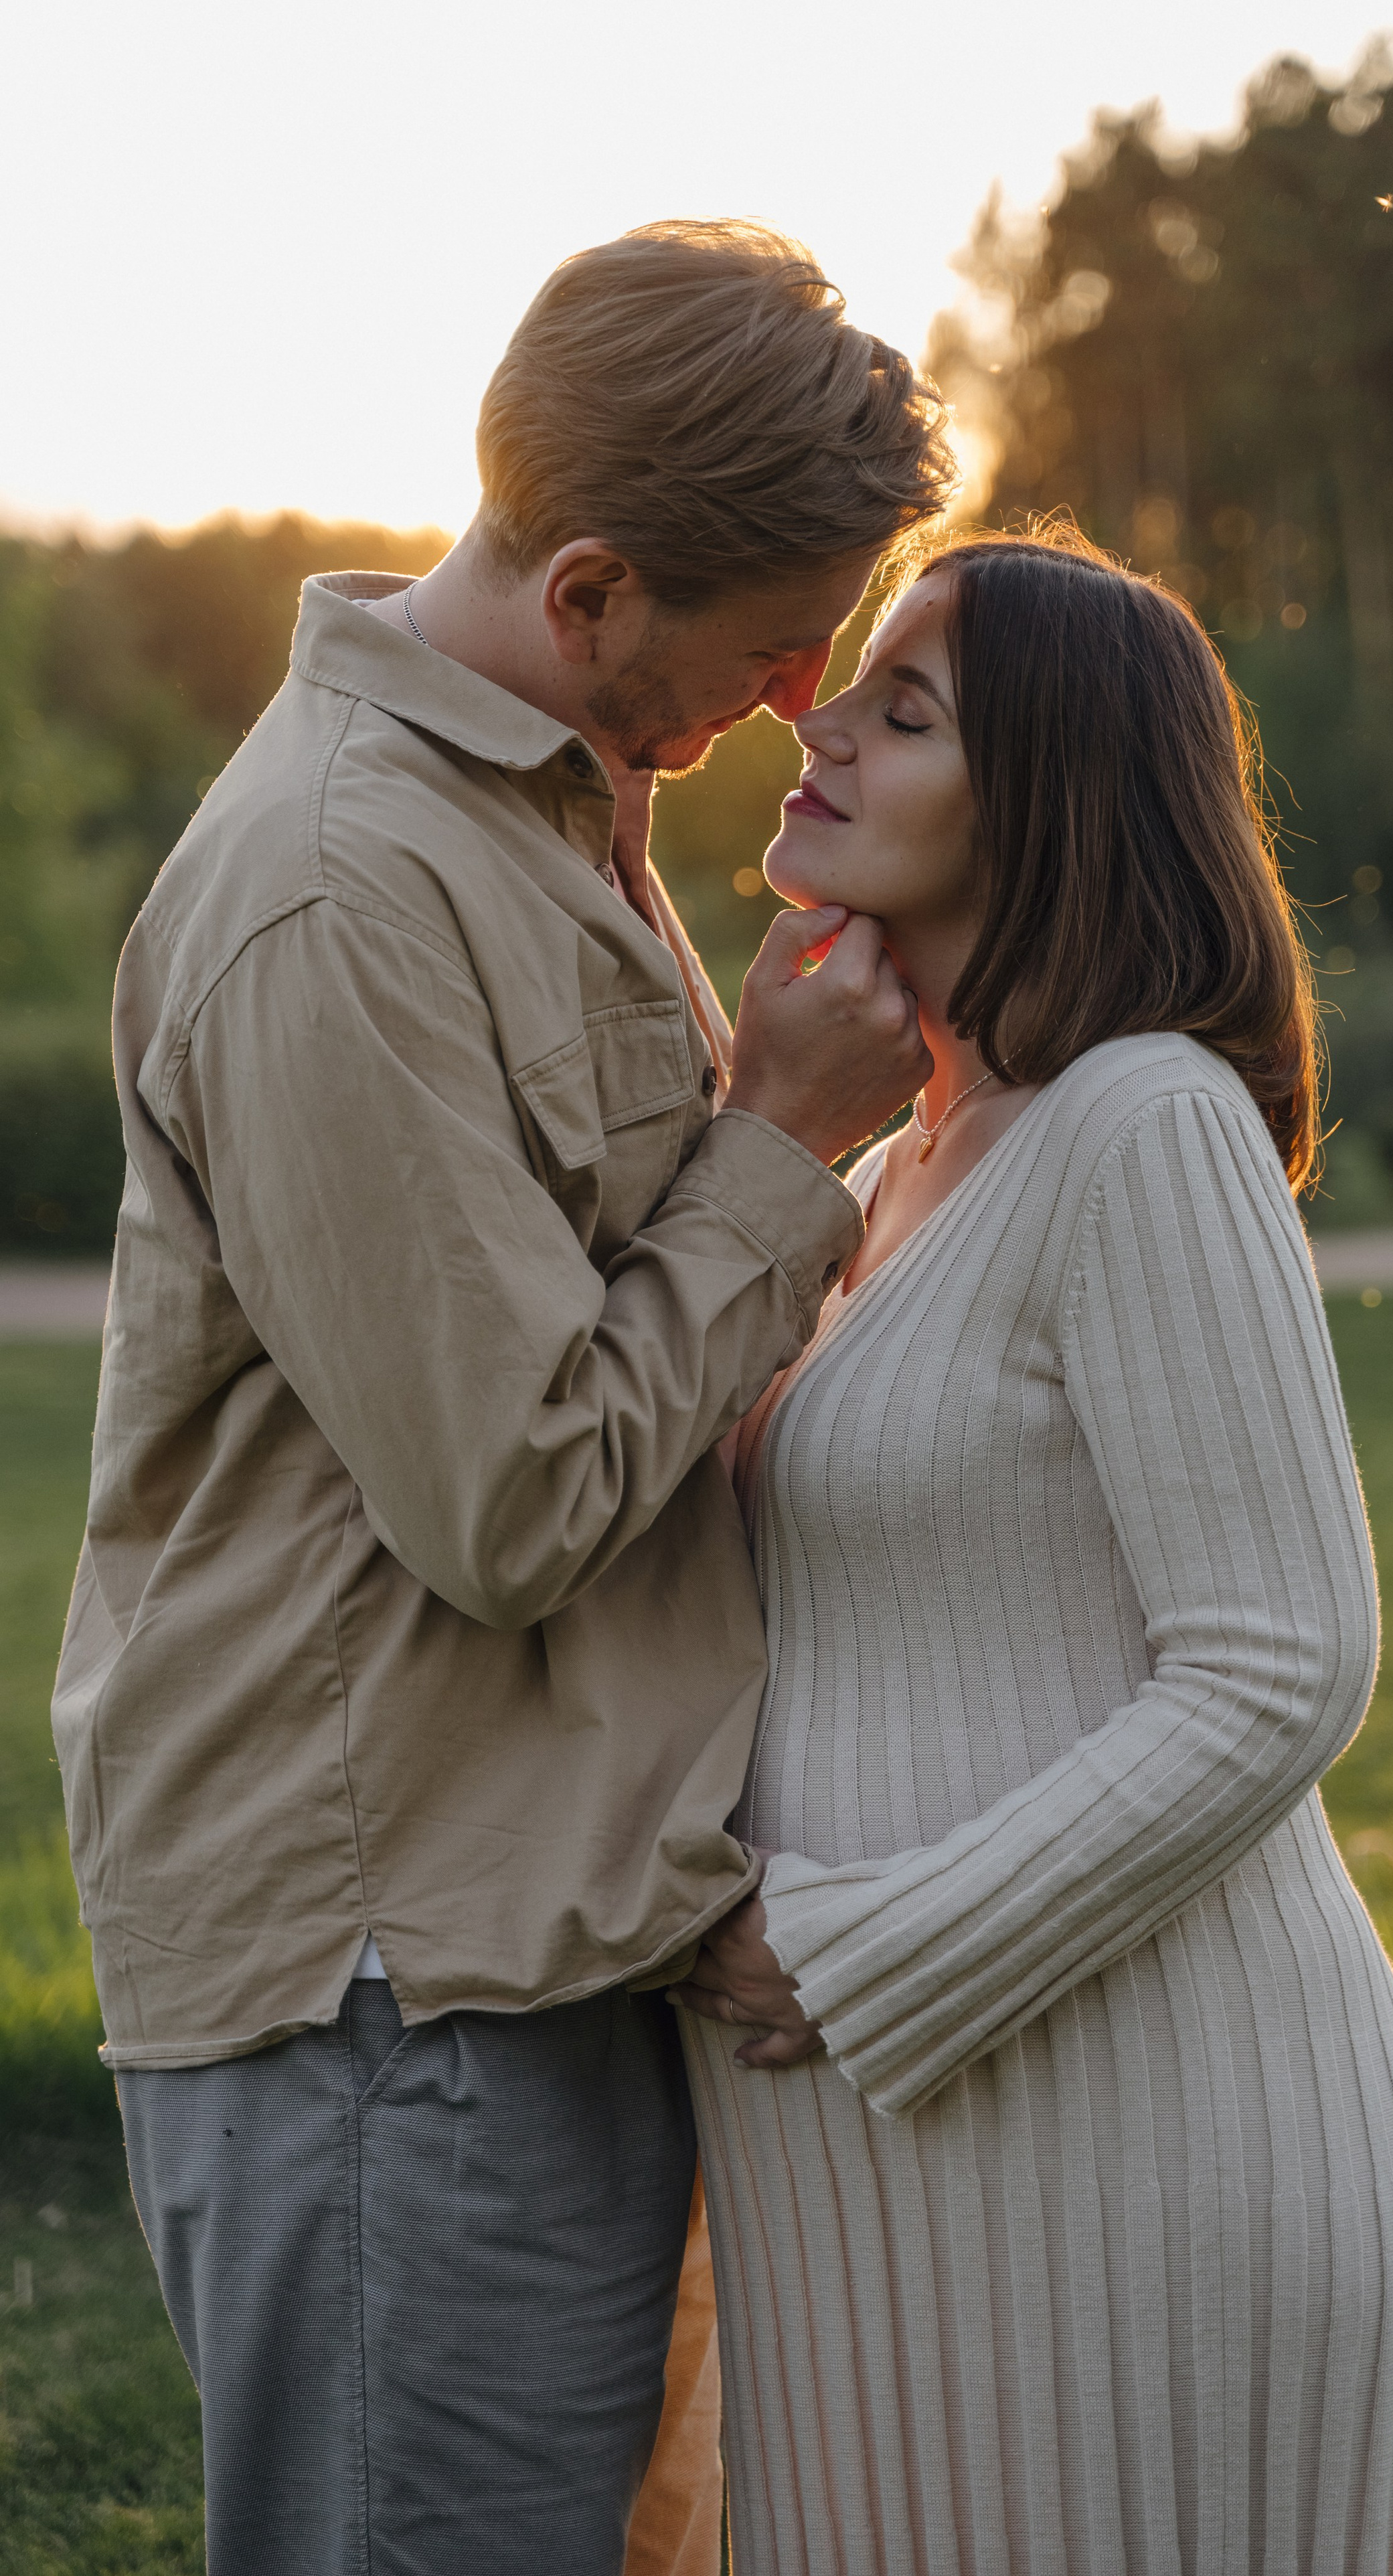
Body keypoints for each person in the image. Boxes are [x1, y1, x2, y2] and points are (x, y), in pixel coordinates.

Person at [50, 220, 955, 2576]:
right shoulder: (345, 895)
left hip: (531, 1932)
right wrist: (782, 1144)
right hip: (393, 1992)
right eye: (769, 648)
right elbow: (518, 1492)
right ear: (587, 586)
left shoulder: (552, 815)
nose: (791, 707)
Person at [672, 527, 1393, 2574]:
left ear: (1056, 805)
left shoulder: (1145, 1125)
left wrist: (858, 1946)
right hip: (883, 2170)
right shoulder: (896, 1161)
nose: (818, 722)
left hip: (1146, 2146)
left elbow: (1282, 1662)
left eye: (905, 709)